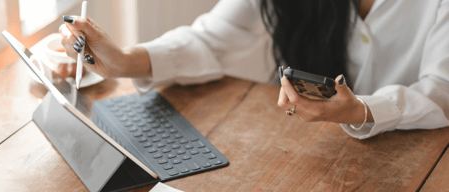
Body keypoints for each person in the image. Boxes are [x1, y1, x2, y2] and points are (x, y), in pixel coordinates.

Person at [59, 0, 449, 139]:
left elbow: (441, 90)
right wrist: (125, 61)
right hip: (313, 155)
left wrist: (362, 110)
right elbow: (211, 38)